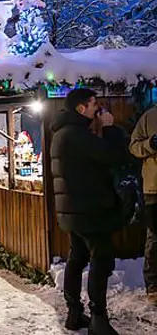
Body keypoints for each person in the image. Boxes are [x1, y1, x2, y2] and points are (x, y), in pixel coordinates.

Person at [51, 88, 127, 334]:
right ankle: (98, 319)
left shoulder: (64, 133)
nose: (98, 108)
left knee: (78, 258)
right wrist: (109, 128)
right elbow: (112, 155)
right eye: (94, 104)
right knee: (101, 260)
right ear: (81, 108)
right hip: (89, 211)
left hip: (75, 212)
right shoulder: (76, 134)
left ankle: (74, 314)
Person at [129, 104, 157, 305]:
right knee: (154, 237)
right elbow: (133, 147)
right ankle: (154, 287)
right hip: (154, 189)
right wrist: (150, 144)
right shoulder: (150, 117)